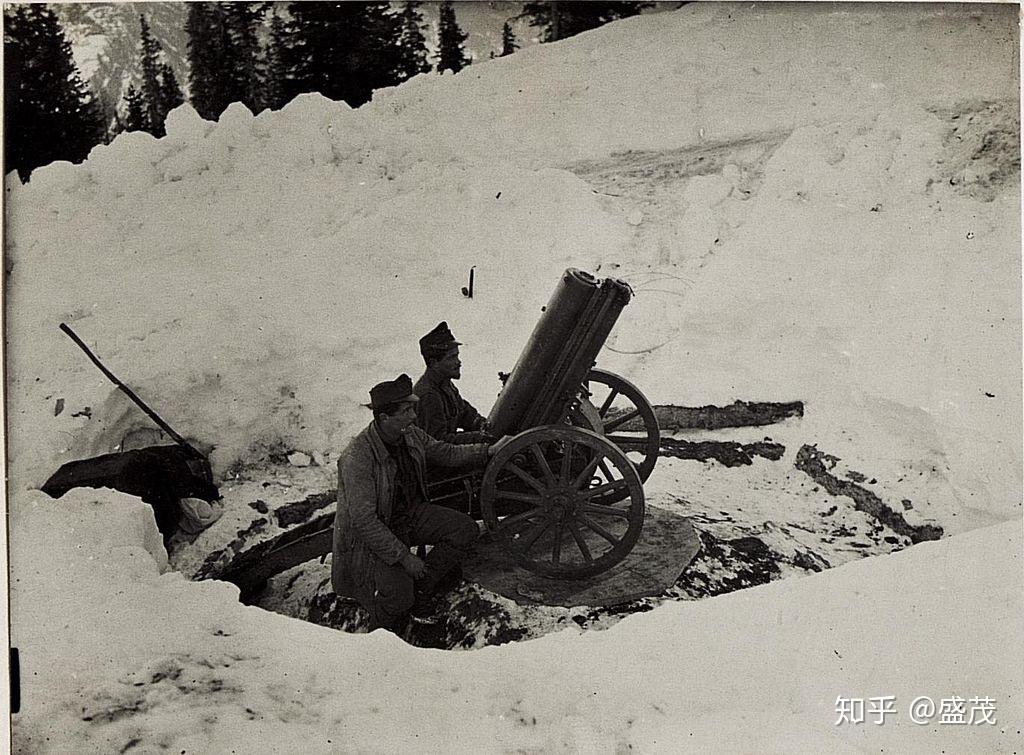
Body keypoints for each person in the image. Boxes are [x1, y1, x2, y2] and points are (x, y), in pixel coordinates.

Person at [331, 373, 504, 636]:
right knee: (398, 598)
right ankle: (375, 642)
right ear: (383, 419)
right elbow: (364, 521)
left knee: (464, 529)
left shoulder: (409, 434)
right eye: (407, 410)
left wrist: (487, 451)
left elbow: (445, 452)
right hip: (374, 535)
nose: (414, 416)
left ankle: (422, 587)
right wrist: (404, 557)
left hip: (408, 515)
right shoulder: (358, 458)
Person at [413, 321, 491, 445]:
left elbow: (465, 414)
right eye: (452, 357)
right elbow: (438, 444)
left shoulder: (445, 385)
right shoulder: (428, 395)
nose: (458, 362)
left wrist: (482, 424)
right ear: (433, 363)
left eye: (457, 356)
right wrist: (479, 437)